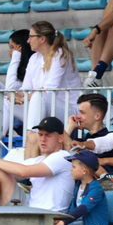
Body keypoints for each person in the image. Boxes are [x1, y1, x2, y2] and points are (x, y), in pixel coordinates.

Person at [0, 117, 74, 213]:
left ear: (60, 138)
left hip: (50, 218)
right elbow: (10, 169)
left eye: (48, 135)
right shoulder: (39, 160)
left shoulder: (63, 157)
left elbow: (23, 172)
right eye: (40, 134)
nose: (43, 139)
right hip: (32, 213)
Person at [20, 21, 83, 158]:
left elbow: (49, 89)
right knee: (7, 102)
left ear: (42, 39)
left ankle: (31, 138)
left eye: (31, 36)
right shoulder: (34, 58)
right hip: (46, 105)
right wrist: (17, 96)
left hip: (69, 109)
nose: (28, 40)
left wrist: (26, 96)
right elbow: (25, 89)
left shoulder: (60, 54)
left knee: (38, 97)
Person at [52, 150, 108, 225]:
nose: (71, 169)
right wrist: (61, 219)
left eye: (74, 167)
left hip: (92, 224)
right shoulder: (78, 185)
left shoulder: (96, 188)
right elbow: (73, 208)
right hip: (79, 221)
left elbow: (84, 208)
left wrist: (64, 222)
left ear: (84, 171)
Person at [63, 94, 113, 159]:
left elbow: (81, 158)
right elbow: (61, 150)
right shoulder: (81, 140)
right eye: (78, 112)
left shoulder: (111, 142)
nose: (78, 116)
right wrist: (70, 126)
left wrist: (64, 129)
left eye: (82, 112)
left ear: (97, 116)